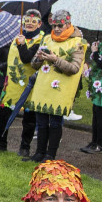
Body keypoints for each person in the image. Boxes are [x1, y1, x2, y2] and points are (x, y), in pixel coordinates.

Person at [26, 9, 88, 162]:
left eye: (60, 26)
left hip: (61, 89)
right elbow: (34, 65)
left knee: (54, 123)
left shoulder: (77, 42)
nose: (57, 29)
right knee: (41, 122)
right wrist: (39, 58)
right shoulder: (47, 39)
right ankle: (39, 152)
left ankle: (50, 155)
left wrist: (55, 59)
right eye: (54, 26)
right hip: (43, 86)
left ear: (68, 24)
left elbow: (74, 68)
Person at [0, 10, 44, 156]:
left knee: (29, 118)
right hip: (12, 85)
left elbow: (27, 58)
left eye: (33, 22)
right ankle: (0, 142)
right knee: (2, 112)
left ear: (39, 24)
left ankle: (24, 147)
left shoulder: (41, 41)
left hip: (29, 85)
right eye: (27, 21)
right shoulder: (17, 38)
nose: (29, 24)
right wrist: (0, 68)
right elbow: (12, 59)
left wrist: (21, 44)